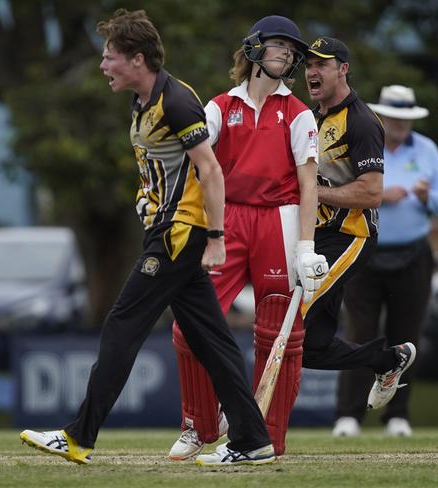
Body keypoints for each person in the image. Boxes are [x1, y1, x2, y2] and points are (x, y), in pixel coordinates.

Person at [19, 9, 275, 467]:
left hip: (180, 238)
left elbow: (211, 170)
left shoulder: (177, 101)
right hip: (169, 231)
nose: (102, 66)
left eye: (109, 57)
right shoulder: (142, 102)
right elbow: (160, 169)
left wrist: (216, 237)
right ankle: (253, 438)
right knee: (213, 342)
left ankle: (79, 436)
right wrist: (147, 200)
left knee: (121, 327)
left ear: (138, 59)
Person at [168, 15, 328, 460]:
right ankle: (200, 424)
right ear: (255, 47)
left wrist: (306, 246)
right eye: (280, 45)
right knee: (188, 325)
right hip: (228, 219)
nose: (288, 55)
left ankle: (267, 439)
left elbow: (309, 184)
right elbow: (197, 163)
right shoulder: (220, 106)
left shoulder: (297, 114)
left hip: (280, 218)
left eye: (292, 50)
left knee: (279, 335)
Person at [301, 37, 417, 426]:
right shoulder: (311, 118)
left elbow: (372, 193)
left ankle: (246, 420)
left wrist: (312, 191)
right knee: (310, 348)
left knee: (289, 315)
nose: (311, 72)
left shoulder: (363, 121)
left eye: (321, 64)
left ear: (343, 69)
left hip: (351, 237)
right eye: (308, 65)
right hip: (314, 240)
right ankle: (388, 360)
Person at [334, 85, 438, 437]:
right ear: (385, 115)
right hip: (364, 249)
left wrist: (430, 198)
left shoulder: (427, 149)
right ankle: (348, 415)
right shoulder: (367, 141)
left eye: (406, 118)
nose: (401, 123)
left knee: (406, 335)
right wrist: (382, 196)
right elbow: (344, 190)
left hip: (414, 253)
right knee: (359, 333)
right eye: (396, 117)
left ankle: (398, 415)